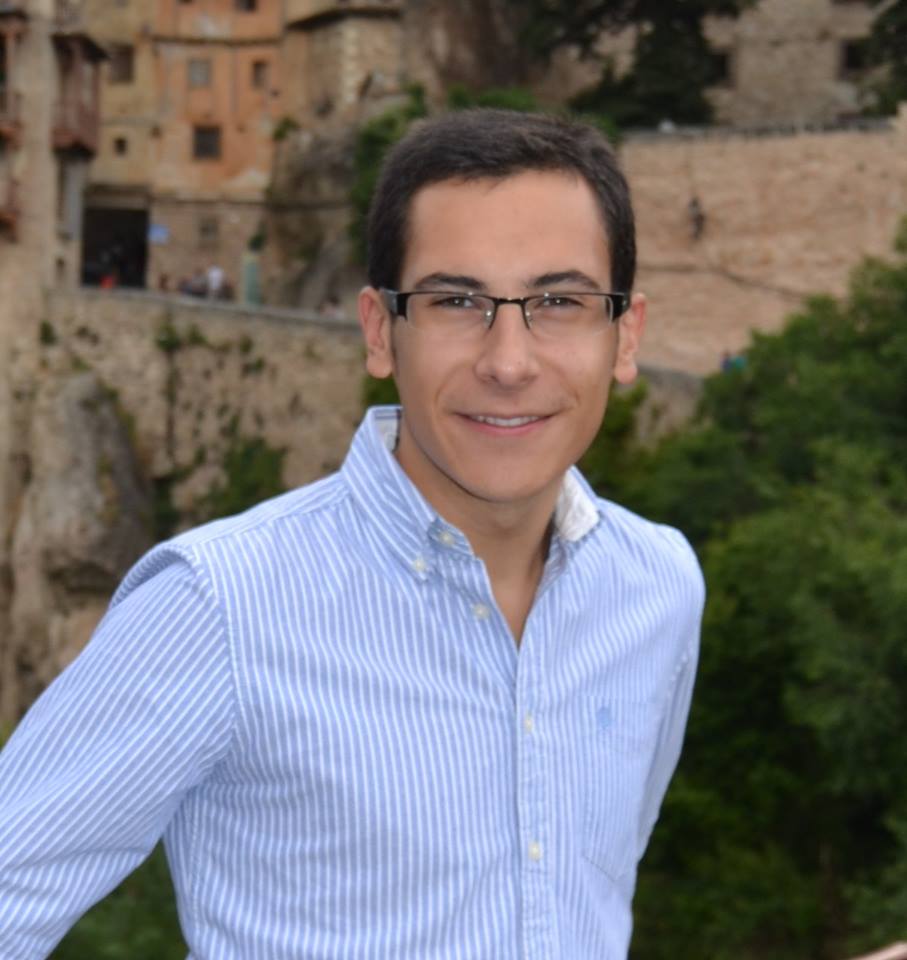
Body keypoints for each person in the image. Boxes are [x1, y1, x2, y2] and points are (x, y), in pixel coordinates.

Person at [0, 109, 705, 959]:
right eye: (455, 301)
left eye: (559, 302)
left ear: (625, 335)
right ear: (379, 331)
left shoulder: (657, 588)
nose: (509, 362)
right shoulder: (217, 607)